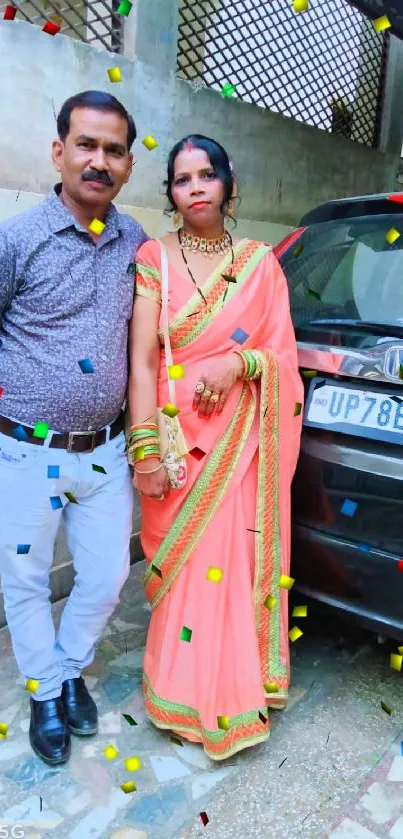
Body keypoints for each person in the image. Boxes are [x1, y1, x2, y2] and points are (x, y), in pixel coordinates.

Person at [128, 135, 304, 760]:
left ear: (228, 184)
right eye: (181, 178)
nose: (195, 186)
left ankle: (232, 693)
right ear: (171, 192)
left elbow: (283, 356)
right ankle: (177, 689)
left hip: (240, 442)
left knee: (230, 568)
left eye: (207, 174)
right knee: (183, 574)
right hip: (180, 443)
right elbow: (143, 362)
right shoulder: (154, 256)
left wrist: (241, 363)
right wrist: (145, 449)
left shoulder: (261, 263)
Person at [0, 90, 148, 765]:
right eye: (85, 145)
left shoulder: (138, 245)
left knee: (108, 575)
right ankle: (47, 691)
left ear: (126, 166)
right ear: (58, 151)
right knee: (27, 581)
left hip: (106, 452)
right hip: (26, 451)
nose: (98, 160)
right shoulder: (17, 240)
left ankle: (64, 667)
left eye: (113, 150)